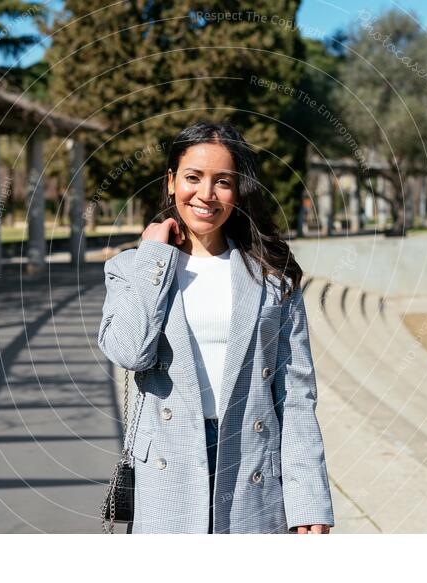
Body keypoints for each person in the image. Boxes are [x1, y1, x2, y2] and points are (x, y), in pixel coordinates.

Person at [98, 120, 334, 534]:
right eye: (193, 177)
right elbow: (128, 351)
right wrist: (154, 255)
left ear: (238, 190)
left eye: (222, 181)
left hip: (251, 461)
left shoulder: (272, 276)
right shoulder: (130, 268)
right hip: (168, 467)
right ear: (172, 182)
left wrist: (308, 499)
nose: (206, 195)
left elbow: (296, 394)